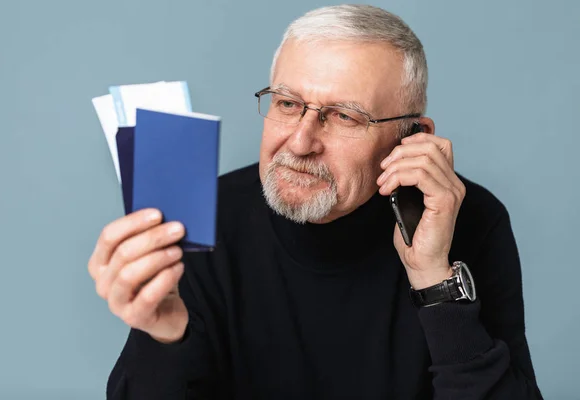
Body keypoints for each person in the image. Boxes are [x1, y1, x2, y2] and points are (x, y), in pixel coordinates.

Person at [89, 4, 543, 399]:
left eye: (344, 116)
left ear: (411, 139)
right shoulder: (206, 215)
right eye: (287, 104)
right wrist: (166, 336)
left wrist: (434, 280)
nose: (301, 142)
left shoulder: (471, 220)